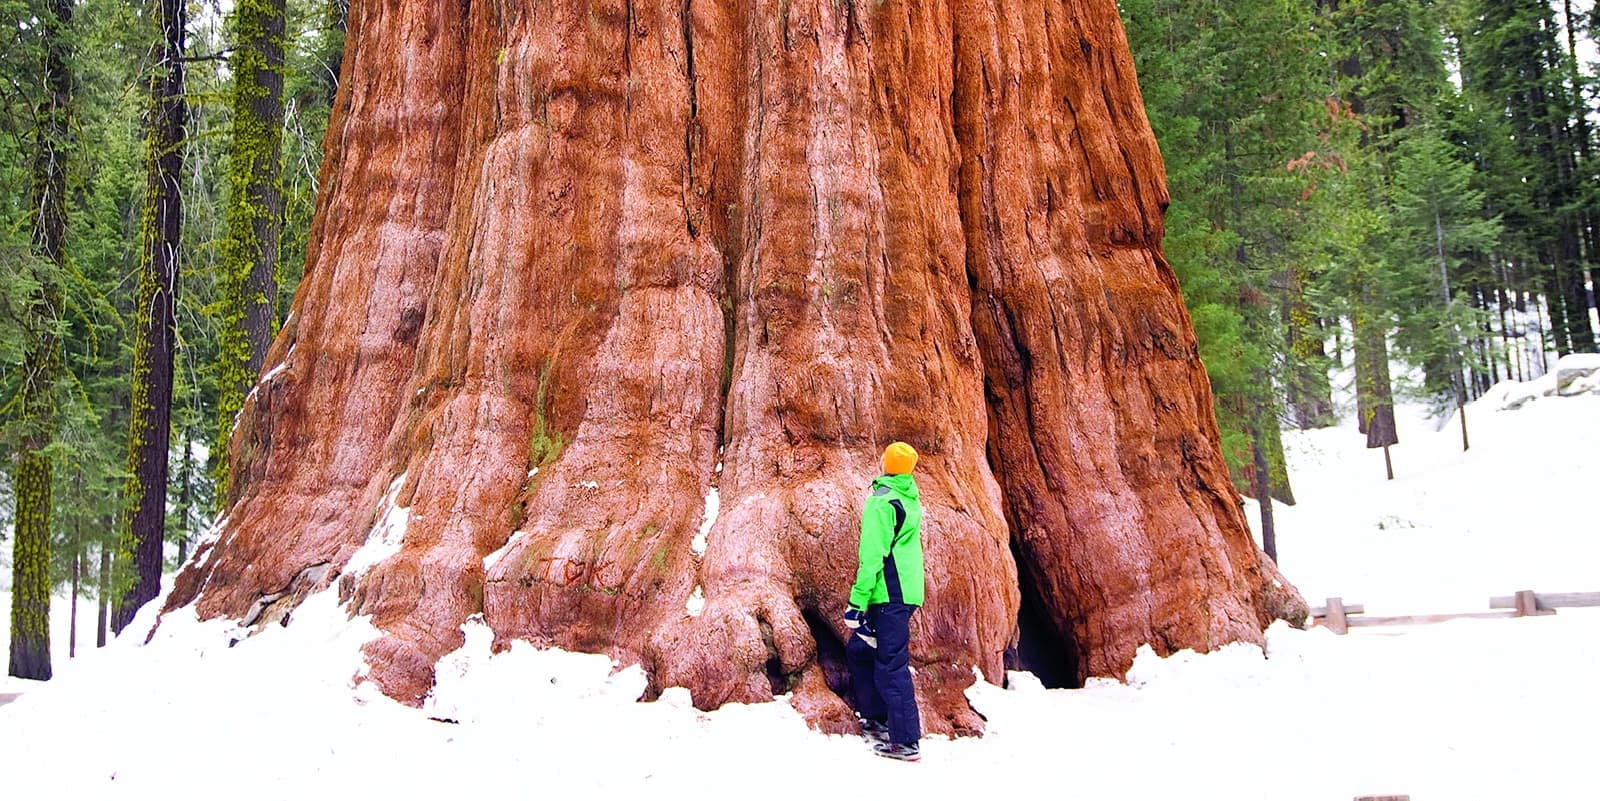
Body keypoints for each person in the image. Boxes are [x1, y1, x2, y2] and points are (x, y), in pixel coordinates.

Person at [843, 441, 924, 762]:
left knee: (891, 664)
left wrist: (856, 603)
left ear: (885, 463)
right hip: (904, 592)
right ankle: (876, 717)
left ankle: (906, 741)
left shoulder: (883, 501)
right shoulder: (908, 496)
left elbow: (873, 556)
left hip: (890, 593)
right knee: (860, 650)